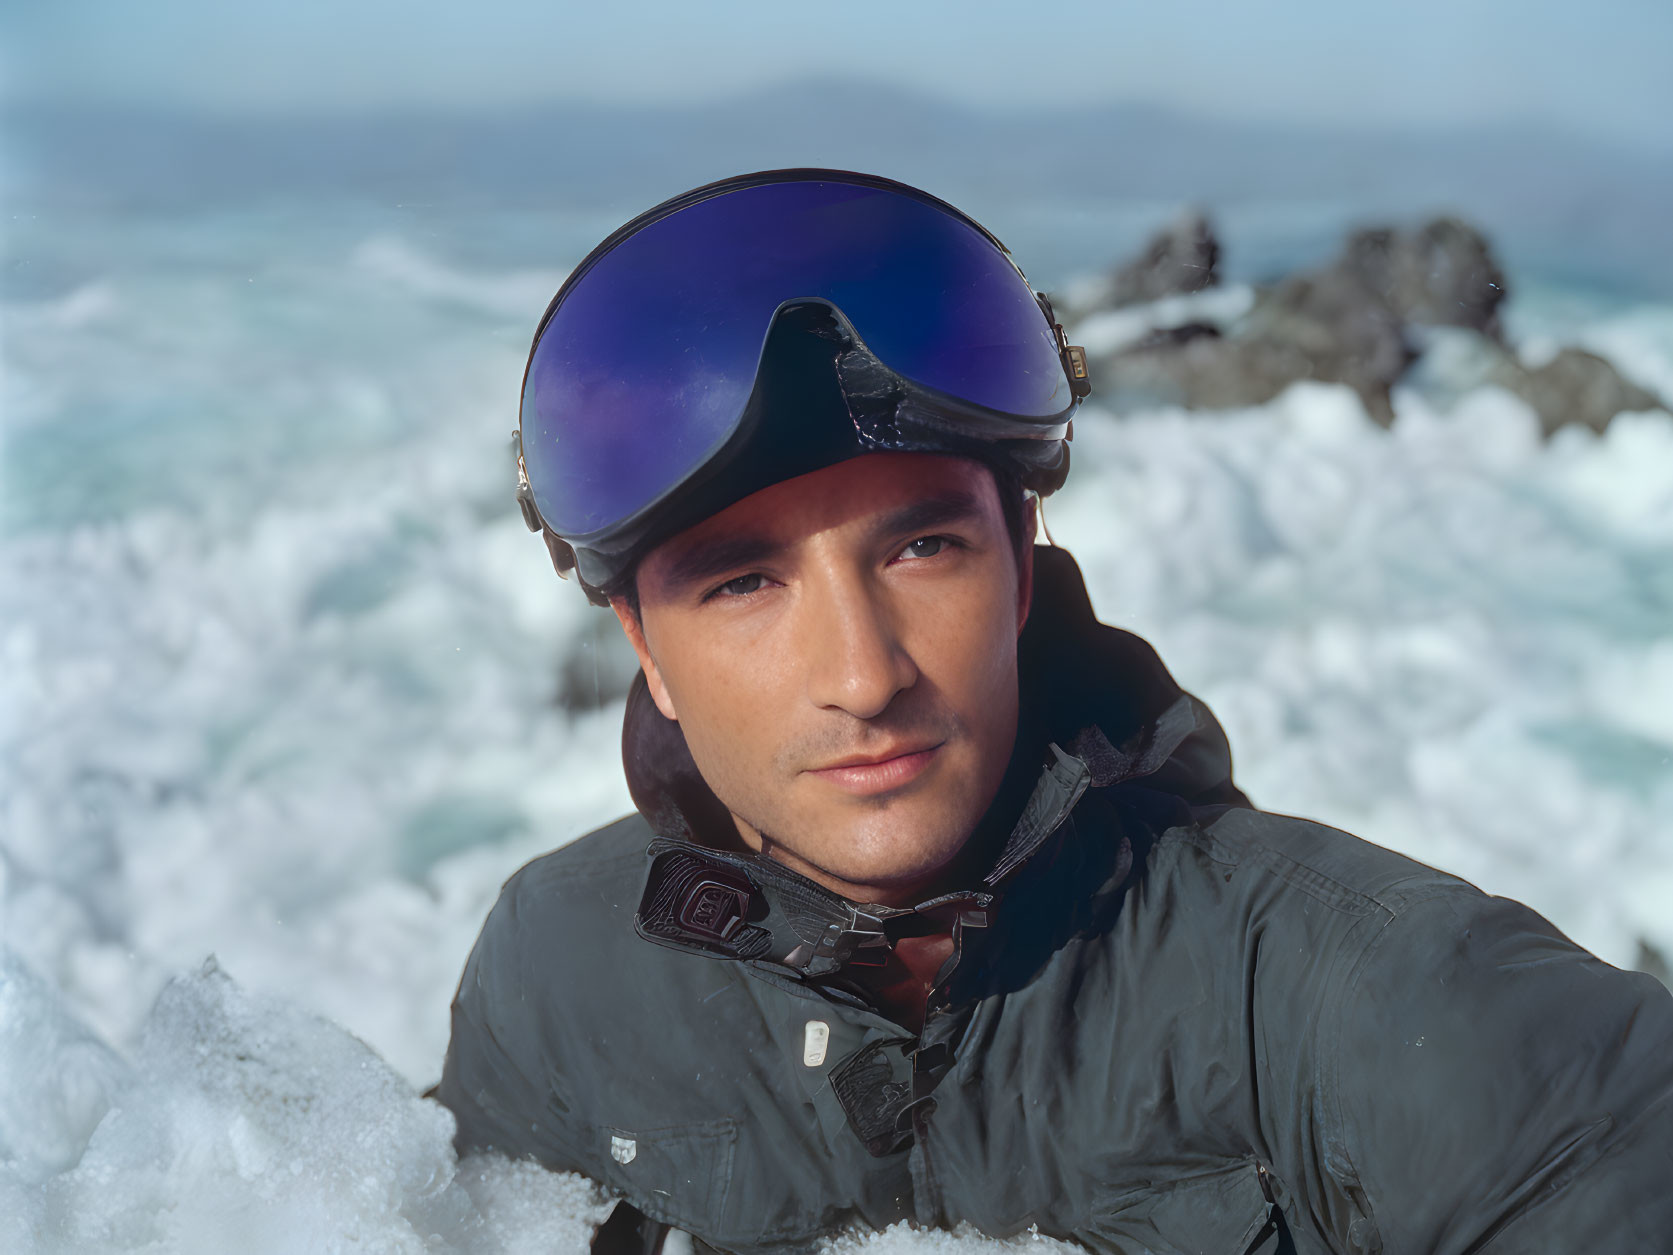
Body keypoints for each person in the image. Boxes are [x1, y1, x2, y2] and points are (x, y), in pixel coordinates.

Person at [436, 169, 1673, 1255]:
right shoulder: (554, 973)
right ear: (644, 648)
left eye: (923, 546)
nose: (863, 677)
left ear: (1021, 566)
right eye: (744, 581)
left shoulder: (1364, 993)